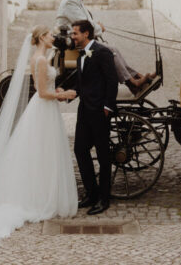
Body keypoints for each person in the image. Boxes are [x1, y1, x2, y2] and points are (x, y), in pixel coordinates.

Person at [0, 25, 78, 252]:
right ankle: (39, 198)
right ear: (41, 38)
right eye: (50, 35)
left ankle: (43, 192)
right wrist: (63, 94)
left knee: (44, 153)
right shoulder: (39, 60)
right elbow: (42, 93)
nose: (53, 38)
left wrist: (55, 88)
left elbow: (46, 86)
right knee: (41, 152)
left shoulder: (42, 57)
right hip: (43, 108)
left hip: (46, 111)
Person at [55, 0, 156, 93]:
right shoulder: (69, 2)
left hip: (83, 39)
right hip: (76, 43)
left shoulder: (75, 1)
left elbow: (87, 23)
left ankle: (137, 77)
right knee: (110, 51)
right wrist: (99, 28)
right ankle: (132, 83)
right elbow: (84, 26)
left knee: (114, 49)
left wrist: (96, 26)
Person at [72, 19, 117, 215]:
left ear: (86, 34)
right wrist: (66, 92)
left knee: (103, 155)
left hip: (100, 111)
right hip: (84, 111)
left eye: (75, 33)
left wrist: (108, 106)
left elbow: (111, 80)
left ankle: (104, 199)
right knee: (80, 149)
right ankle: (91, 193)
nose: (72, 37)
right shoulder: (80, 55)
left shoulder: (102, 52)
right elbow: (82, 83)